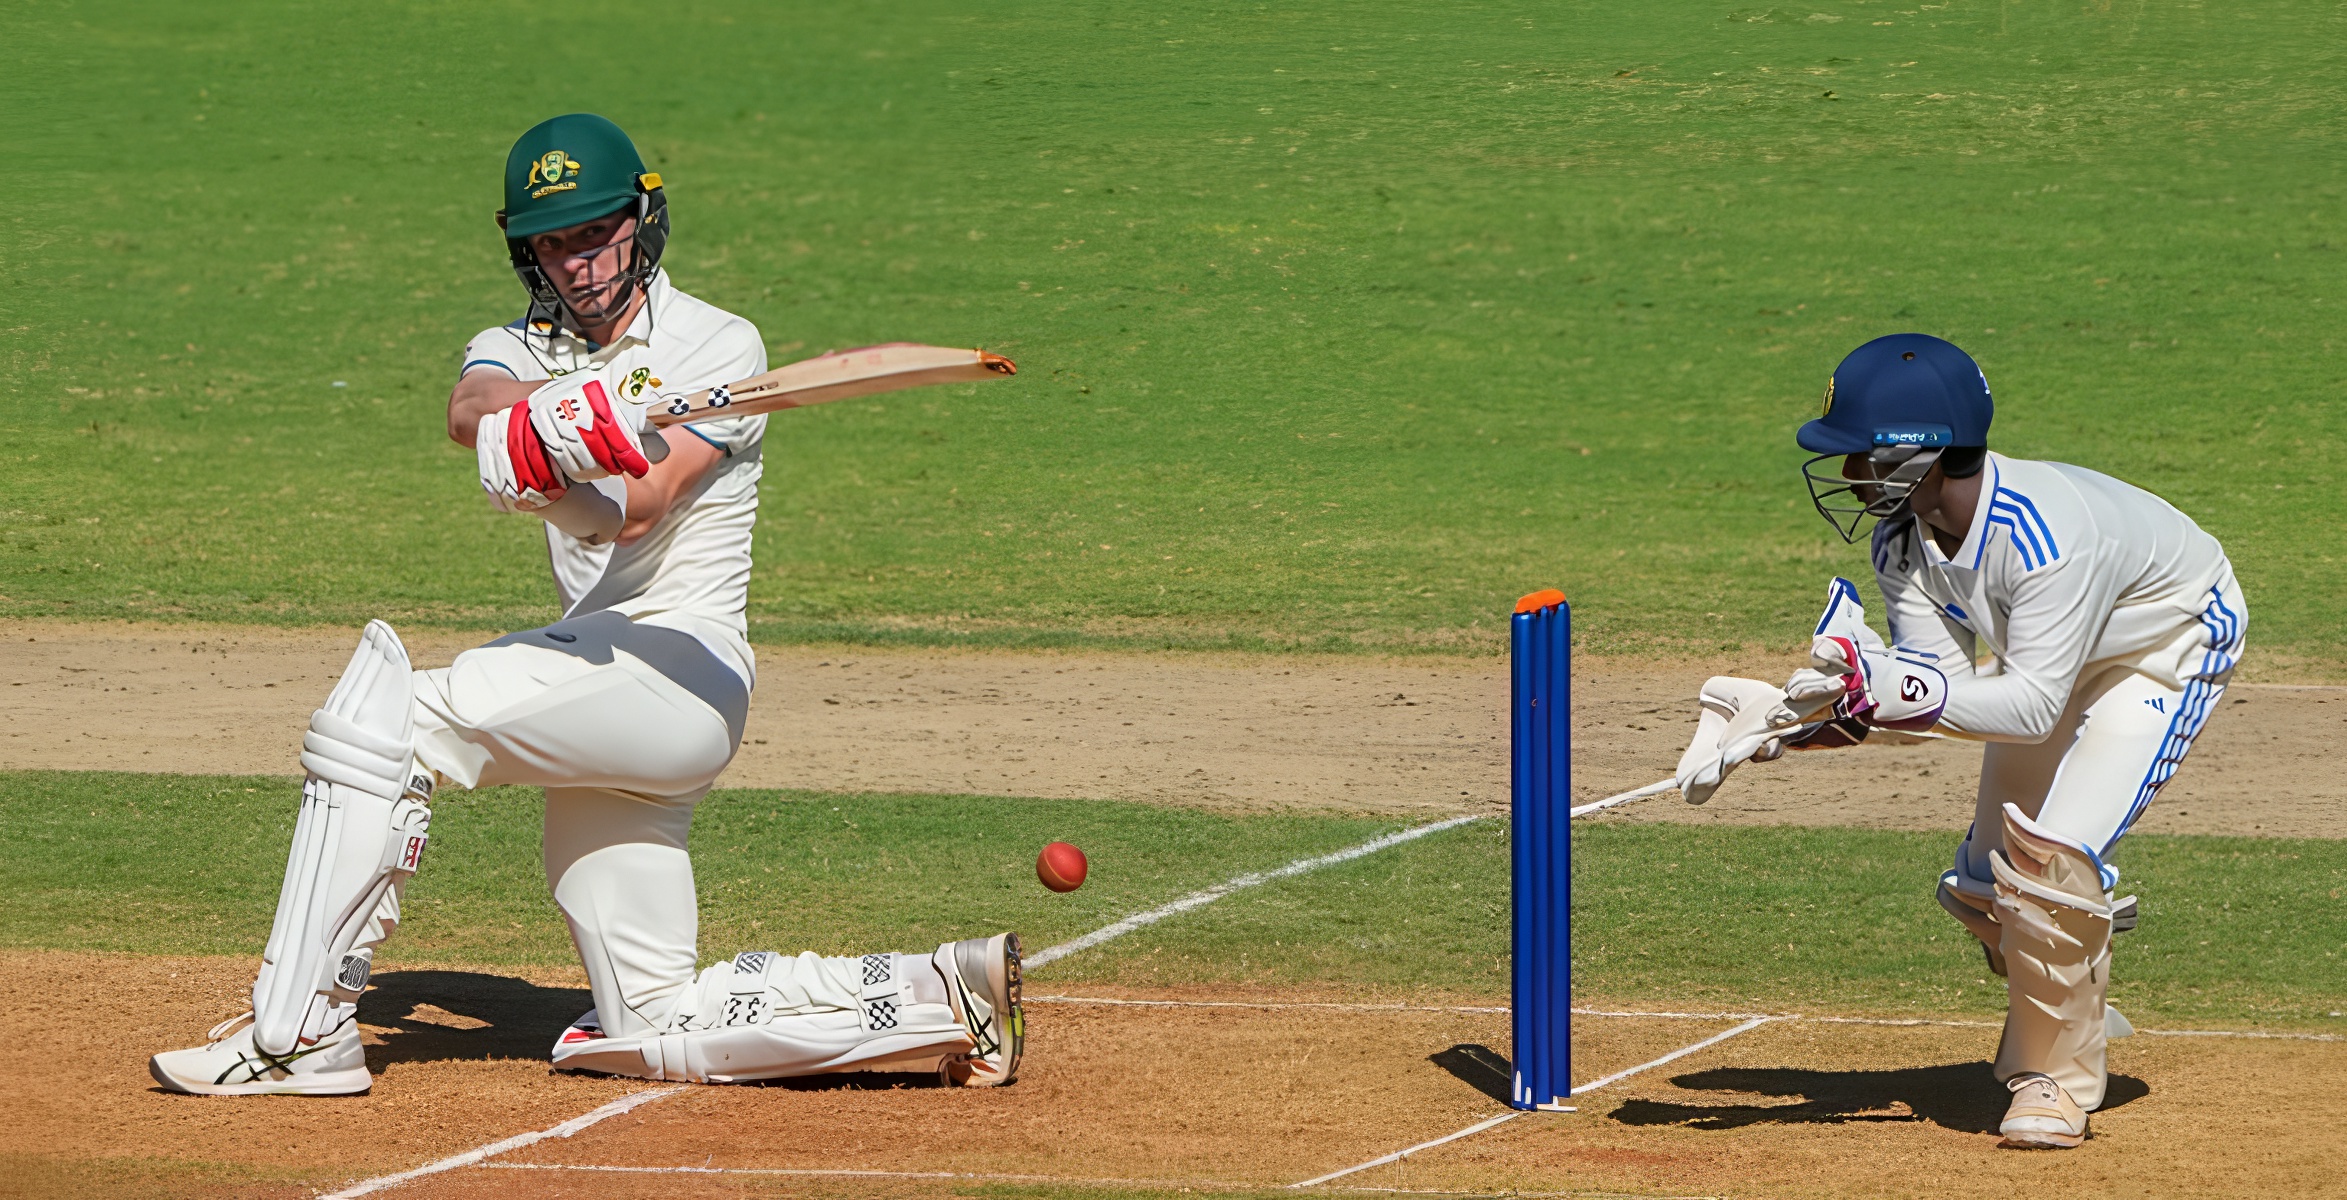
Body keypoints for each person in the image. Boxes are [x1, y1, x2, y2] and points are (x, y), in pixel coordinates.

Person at [150, 113, 1022, 1096]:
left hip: (676, 673)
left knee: (390, 715)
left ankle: (299, 1033)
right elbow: (468, 409)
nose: (579, 262)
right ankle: (946, 992)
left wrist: (558, 472)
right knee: (648, 1020)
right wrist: (538, 424)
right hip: (596, 691)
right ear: (527, 249)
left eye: (597, 231)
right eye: (554, 241)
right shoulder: (519, 343)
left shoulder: (718, 344)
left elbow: (640, 507)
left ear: (641, 221)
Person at [1676, 333, 2244, 1148]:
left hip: (2161, 652)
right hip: (2047, 659)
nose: (1845, 476)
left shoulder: (2047, 536)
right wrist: (1801, 726)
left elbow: (2029, 711)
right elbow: (1937, 694)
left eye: (1861, 456)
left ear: (1926, 453)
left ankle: (2054, 1082)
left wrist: (1885, 693)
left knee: (2046, 866)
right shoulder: (1900, 538)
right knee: (1984, 884)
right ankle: (2054, 955)